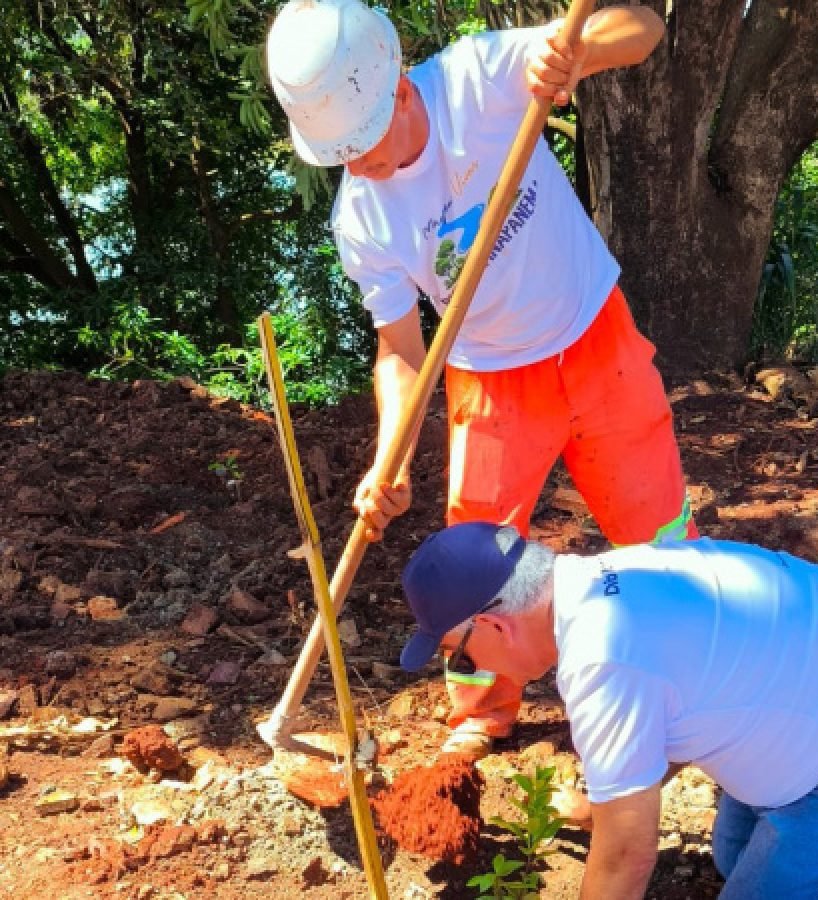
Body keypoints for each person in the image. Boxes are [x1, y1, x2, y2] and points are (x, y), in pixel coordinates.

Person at [265, 0, 697, 757]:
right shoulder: (361, 221)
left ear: (401, 89)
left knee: (657, 524)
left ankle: (699, 670)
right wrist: (386, 457)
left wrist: (575, 56)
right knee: (473, 558)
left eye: (364, 142)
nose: (358, 166)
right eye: (340, 154)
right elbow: (400, 351)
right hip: (491, 381)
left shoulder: (477, 78)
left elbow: (645, 30)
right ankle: (479, 713)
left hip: (597, 340)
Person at [396, 522, 818, 900]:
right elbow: (669, 731)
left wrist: (611, 822)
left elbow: (626, 856)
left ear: (493, 624)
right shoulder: (615, 576)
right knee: (734, 857)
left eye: (460, 654)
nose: (467, 669)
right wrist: (603, 802)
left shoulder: (602, 659)